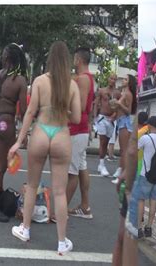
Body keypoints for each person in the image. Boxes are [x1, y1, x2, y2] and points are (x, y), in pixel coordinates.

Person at [9, 41, 81, 255]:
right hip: (61, 134)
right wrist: (63, 110)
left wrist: (18, 141)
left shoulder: (40, 81)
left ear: (49, 59)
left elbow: (29, 113)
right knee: (59, 192)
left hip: (40, 132)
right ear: (67, 61)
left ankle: (26, 229)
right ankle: (61, 242)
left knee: (32, 186)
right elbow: (76, 117)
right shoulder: (73, 85)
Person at [0, 43, 28, 222]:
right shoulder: (20, 81)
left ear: (5, 58)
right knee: (1, 167)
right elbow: (24, 110)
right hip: (4, 123)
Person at [112, 111, 148, 265]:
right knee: (130, 238)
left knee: (124, 236)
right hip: (143, 183)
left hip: (132, 182)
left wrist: (125, 178)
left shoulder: (139, 132)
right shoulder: (151, 133)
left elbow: (132, 152)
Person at [65, 47, 96, 219]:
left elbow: (82, 106)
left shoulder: (83, 79)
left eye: (74, 58)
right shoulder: (86, 78)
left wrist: (63, 110)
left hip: (77, 129)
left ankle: (60, 211)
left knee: (72, 172)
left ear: (78, 59)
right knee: (81, 167)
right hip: (81, 128)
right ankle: (85, 207)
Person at [128, 116, 156, 239]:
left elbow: (133, 151)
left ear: (150, 126)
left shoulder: (145, 138)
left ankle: (139, 228)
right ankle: (149, 227)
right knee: (153, 201)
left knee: (141, 200)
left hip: (144, 174)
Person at [111, 74, 138, 184]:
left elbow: (128, 110)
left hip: (124, 122)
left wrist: (118, 104)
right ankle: (121, 172)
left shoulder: (128, 94)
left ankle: (123, 175)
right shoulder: (124, 93)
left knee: (124, 151)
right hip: (120, 121)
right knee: (123, 150)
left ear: (129, 82)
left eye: (125, 79)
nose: (123, 80)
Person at [94, 73, 119, 177]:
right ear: (108, 79)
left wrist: (115, 115)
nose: (112, 80)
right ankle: (102, 164)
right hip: (102, 118)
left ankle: (101, 164)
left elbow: (119, 107)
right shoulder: (102, 91)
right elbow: (96, 103)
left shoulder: (117, 93)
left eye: (114, 79)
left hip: (111, 121)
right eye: (111, 78)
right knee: (102, 141)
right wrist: (95, 117)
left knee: (107, 142)